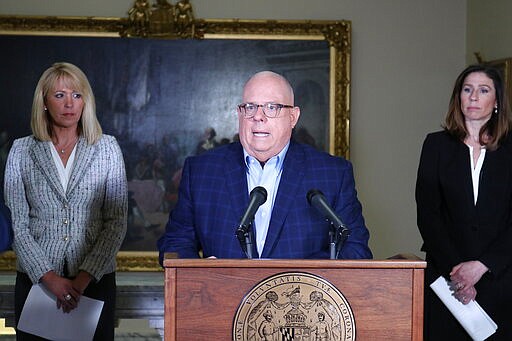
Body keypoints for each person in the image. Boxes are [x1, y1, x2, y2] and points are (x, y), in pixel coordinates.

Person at [158, 71, 372, 262]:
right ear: (240, 114)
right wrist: (200, 273)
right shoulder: (201, 171)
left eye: (272, 107)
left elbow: (356, 250)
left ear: (293, 117)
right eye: (250, 107)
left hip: (301, 302)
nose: (258, 117)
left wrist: (302, 277)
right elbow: (175, 243)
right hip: (222, 302)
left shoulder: (333, 174)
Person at [4, 62, 127, 340]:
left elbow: (116, 222)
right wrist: (49, 278)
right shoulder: (22, 151)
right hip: (37, 284)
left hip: (94, 284)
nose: (69, 103)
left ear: (86, 101)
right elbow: (17, 225)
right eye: (59, 95)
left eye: (77, 95)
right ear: (44, 102)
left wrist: (83, 279)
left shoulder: (107, 148)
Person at [416, 64, 512, 340]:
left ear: (496, 101)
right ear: (458, 97)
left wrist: (481, 266)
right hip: (447, 281)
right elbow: (428, 215)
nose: (473, 97)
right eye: (467, 90)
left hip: (500, 280)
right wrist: (459, 273)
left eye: (483, 90)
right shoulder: (435, 145)